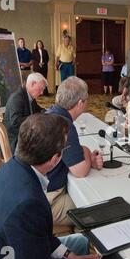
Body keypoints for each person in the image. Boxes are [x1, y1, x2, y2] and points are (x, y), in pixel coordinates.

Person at [0, 114, 102, 259]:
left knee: (80, 242)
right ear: (54, 158)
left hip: (5, 258)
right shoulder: (26, 203)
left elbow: (38, 235)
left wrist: (70, 257)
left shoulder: (14, 167)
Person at [46, 76, 103, 226]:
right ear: (80, 103)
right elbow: (80, 171)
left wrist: (85, 155)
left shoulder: (49, 113)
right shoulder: (64, 125)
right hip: (46, 202)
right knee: (96, 206)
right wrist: (87, 153)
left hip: (32, 193)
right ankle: (81, 244)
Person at [4, 72, 46, 152]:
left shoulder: (29, 97)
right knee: (45, 144)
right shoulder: (17, 98)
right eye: (41, 89)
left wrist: (49, 111)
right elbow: (15, 122)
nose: (42, 93)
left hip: (24, 135)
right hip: (15, 140)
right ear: (32, 84)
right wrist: (35, 117)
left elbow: (39, 110)